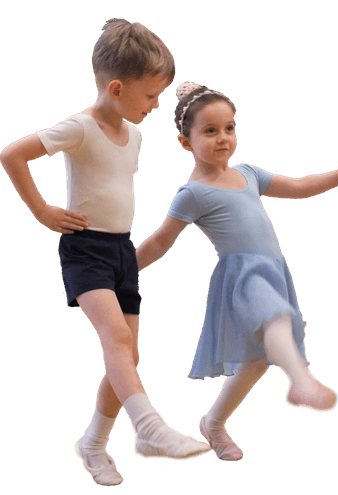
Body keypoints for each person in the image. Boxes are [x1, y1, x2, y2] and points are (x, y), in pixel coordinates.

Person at [0, 24, 210, 486]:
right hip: (86, 249)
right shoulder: (80, 127)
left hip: (122, 251)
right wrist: (42, 210)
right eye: (151, 97)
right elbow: (12, 154)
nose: (156, 107)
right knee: (116, 338)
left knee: (127, 356)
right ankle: (149, 426)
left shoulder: (132, 135)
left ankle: (93, 444)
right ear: (116, 89)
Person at [135, 81, 338, 463]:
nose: (223, 138)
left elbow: (298, 187)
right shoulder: (192, 193)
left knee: (256, 361)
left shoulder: (248, 173)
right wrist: (121, 271)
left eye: (229, 128)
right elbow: (161, 241)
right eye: (210, 131)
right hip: (242, 275)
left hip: (273, 270)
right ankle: (302, 382)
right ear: (186, 143)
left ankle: (213, 423)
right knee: (275, 318)